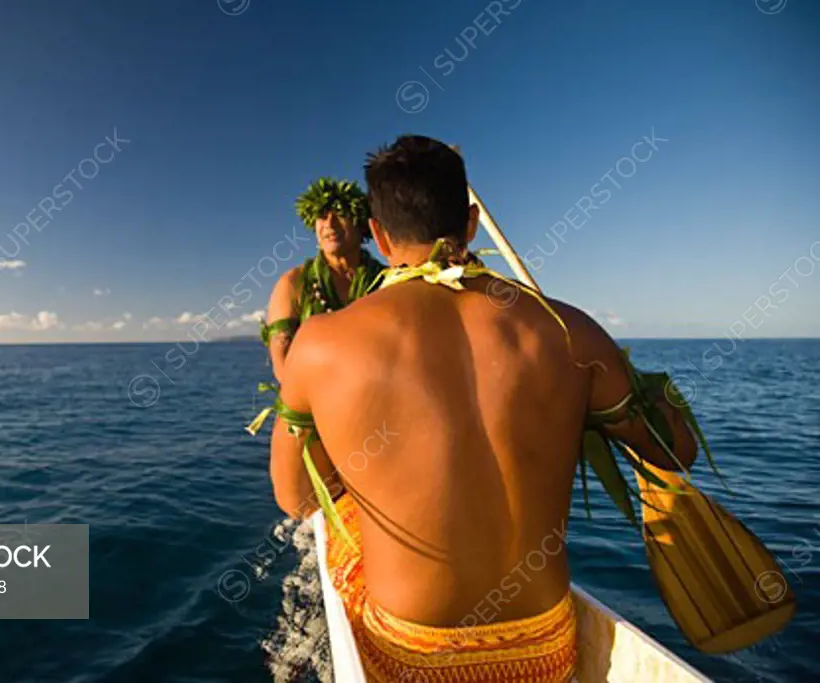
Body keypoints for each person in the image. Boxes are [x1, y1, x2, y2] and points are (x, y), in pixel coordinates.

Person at [267, 135, 699, 682]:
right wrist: (626, 374)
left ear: (377, 231)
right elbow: (676, 449)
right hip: (544, 649)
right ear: (470, 223)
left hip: (409, 658)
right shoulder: (569, 330)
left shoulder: (321, 343)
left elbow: (296, 497)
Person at [261, 178, 385, 383]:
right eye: (322, 216)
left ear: (361, 224)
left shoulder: (386, 280)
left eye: (340, 214)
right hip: (311, 408)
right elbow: (282, 366)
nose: (329, 224)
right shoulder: (293, 283)